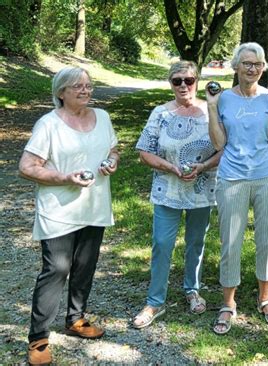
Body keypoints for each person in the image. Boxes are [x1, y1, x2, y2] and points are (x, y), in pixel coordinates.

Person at [19, 66, 119, 365]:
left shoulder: (102, 117)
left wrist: (111, 161)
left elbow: (114, 148)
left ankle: (75, 319)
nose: (85, 90)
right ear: (61, 93)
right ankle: (38, 339)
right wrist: (66, 177)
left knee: (85, 266)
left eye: (88, 85)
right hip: (59, 211)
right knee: (56, 271)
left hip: (95, 206)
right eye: (77, 86)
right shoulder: (48, 124)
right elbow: (27, 167)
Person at [207, 42, 268, 335]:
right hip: (232, 178)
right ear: (235, 67)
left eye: (258, 64)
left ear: (264, 68)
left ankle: (265, 298)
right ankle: (228, 304)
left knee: (267, 238)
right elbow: (218, 144)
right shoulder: (224, 99)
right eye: (246, 64)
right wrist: (213, 109)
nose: (252, 69)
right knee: (230, 240)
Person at [133, 61, 221, 329]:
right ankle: (155, 301)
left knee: (196, 242)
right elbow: (144, 152)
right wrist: (171, 167)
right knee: (162, 244)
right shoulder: (160, 113)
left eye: (189, 80)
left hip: (201, 189)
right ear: (170, 83)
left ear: (197, 81)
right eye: (177, 81)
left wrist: (204, 166)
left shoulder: (212, 112)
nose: (184, 85)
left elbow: (225, 148)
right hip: (167, 189)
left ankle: (192, 289)